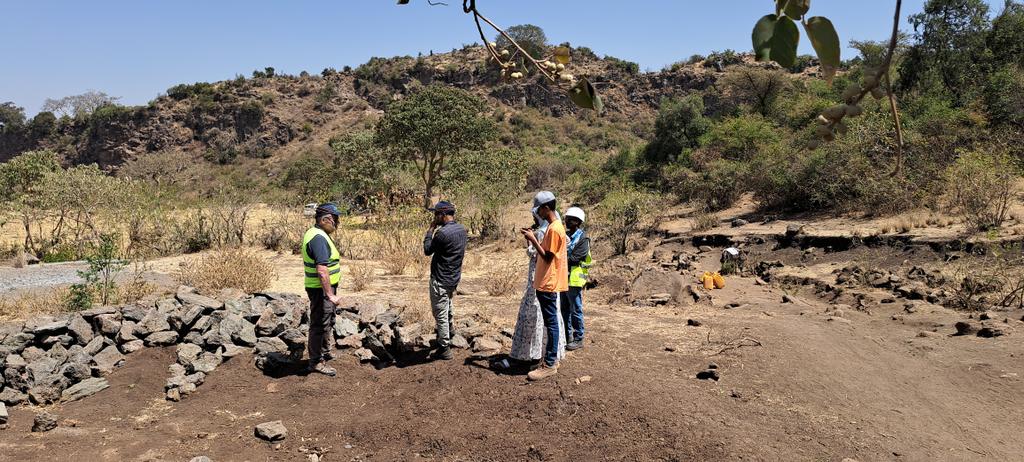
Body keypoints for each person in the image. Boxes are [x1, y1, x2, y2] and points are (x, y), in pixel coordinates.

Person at [496, 210, 566, 370]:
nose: (534, 217)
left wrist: (532, 239)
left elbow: (540, 256)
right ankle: (544, 355)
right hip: (543, 280)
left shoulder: (546, 232)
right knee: (546, 318)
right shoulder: (550, 230)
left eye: (536, 214)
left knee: (537, 317)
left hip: (540, 279)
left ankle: (531, 357)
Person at [520, 191, 568, 381]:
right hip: (544, 281)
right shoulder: (553, 227)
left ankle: (550, 364)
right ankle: (549, 361)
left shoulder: (555, 229)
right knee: (551, 323)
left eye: (539, 209)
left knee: (551, 324)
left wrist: (532, 240)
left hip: (548, 282)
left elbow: (547, 257)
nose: (538, 213)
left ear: (546, 207)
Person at [301, 203, 344, 377]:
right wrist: (330, 294)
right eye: (335, 220)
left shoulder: (320, 234)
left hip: (323, 289)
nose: (337, 224)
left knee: (327, 320)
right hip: (320, 290)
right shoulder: (318, 238)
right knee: (319, 324)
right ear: (325, 219)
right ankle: (316, 362)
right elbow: (322, 270)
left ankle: (325, 351)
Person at [423, 200, 468, 361]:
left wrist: (430, 230)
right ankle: (450, 332)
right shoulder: (462, 230)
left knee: (440, 312)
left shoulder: (442, 234)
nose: (434, 217)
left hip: (440, 278)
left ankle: (444, 348)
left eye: (436, 214)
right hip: (453, 277)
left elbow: (427, 250)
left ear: (442, 215)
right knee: (447, 306)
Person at [561, 207, 591, 351]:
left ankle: (578, 338)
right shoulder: (566, 235)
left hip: (574, 279)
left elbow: (574, 258)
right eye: (566, 218)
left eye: (570, 219)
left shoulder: (583, 238)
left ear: (578, 222)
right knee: (564, 309)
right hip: (563, 278)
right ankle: (567, 337)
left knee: (575, 310)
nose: (566, 221)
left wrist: (560, 257)